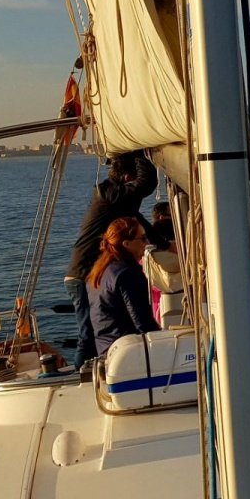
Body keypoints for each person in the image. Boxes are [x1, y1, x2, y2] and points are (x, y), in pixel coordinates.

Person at [65, 152, 157, 367]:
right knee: (87, 335)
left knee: (92, 332)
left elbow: (137, 220)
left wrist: (164, 245)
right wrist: (139, 151)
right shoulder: (110, 195)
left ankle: (89, 373)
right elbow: (146, 184)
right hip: (83, 273)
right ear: (126, 178)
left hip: (86, 271)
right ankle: (84, 377)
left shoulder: (112, 197)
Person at [87, 217, 160, 356]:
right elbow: (142, 322)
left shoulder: (100, 272)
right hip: (129, 351)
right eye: (143, 238)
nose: (147, 243)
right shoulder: (127, 273)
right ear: (127, 244)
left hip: (107, 348)